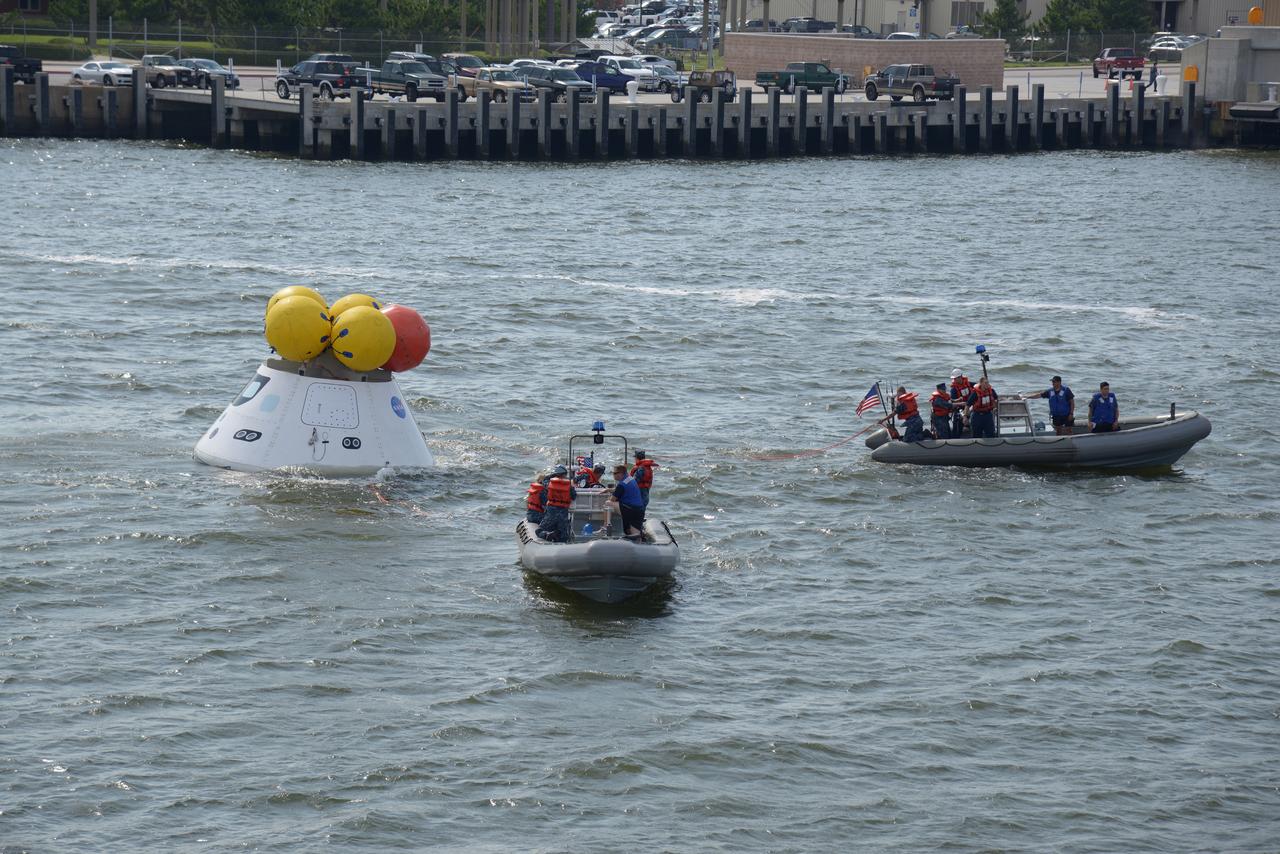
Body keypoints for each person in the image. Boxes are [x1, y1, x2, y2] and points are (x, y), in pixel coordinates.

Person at [535, 465, 577, 543]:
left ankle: (547, 535)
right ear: (565, 474)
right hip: (563, 514)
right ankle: (560, 539)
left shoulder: (549, 483)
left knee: (538, 531)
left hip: (551, 512)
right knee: (563, 536)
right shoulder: (569, 486)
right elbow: (574, 496)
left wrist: (552, 475)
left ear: (555, 474)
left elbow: (544, 480)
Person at [609, 464, 646, 541]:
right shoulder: (630, 478)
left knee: (608, 503)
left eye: (615, 473)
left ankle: (606, 526)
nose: (613, 475)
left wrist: (611, 494)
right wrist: (608, 490)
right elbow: (622, 489)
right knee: (635, 535)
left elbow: (612, 499)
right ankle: (639, 538)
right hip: (639, 511)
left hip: (631, 511)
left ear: (621, 474)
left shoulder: (621, 485)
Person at [949, 368, 974, 437]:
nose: (954, 380)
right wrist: (959, 401)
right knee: (957, 423)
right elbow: (953, 400)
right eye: (954, 378)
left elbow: (977, 386)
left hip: (970, 407)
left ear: (960, 377)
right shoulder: (953, 389)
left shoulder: (969, 384)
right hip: (960, 409)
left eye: (955, 378)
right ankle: (956, 436)